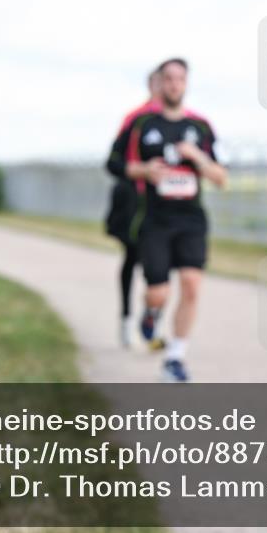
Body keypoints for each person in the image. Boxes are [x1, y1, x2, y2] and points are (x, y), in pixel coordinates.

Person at [107, 58, 227, 382]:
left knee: (191, 285)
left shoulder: (201, 127)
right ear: (159, 84)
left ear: (187, 83)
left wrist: (197, 157)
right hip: (154, 219)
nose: (174, 85)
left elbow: (221, 177)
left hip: (191, 219)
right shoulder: (141, 124)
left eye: (180, 79)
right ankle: (150, 313)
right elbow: (114, 165)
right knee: (158, 292)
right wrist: (144, 171)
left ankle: (175, 358)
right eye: (168, 79)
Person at [106, 68, 163, 348]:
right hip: (135, 204)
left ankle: (152, 317)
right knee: (133, 257)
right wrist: (142, 171)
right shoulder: (135, 119)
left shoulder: (183, 121)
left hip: (167, 206)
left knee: (161, 265)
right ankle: (126, 319)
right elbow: (114, 163)